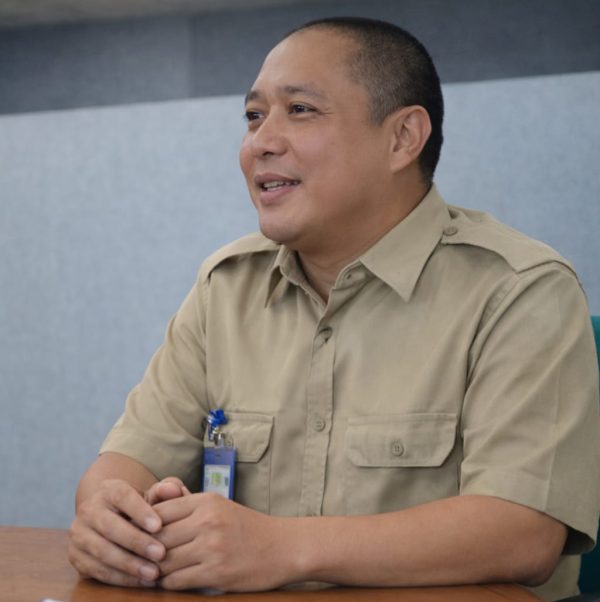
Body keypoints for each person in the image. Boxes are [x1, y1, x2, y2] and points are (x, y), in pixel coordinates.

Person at [68, 17, 600, 601]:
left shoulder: (518, 289)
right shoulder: (226, 286)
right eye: (254, 116)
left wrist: (281, 548)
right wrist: (110, 518)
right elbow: (128, 462)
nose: (261, 142)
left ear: (403, 138)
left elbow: (522, 532)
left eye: (300, 110)